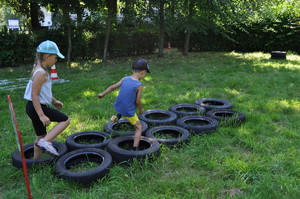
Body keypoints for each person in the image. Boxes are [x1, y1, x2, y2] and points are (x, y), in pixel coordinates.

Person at [24, 40, 70, 158]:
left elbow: (41, 91)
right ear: (46, 56)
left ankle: (36, 163)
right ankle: (45, 142)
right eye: (55, 57)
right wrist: (41, 115)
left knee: (40, 136)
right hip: (38, 107)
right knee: (65, 120)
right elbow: (34, 95)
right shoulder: (41, 73)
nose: (56, 60)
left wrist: (54, 101)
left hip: (32, 107)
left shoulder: (38, 69)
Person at [98, 59, 150, 150]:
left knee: (124, 105)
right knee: (138, 128)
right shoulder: (139, 85)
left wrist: (102, 94)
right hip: (128, 111)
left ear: (133, 70)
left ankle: (117, 117)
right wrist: (141, 110)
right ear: (143, 72)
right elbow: (138, 101)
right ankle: (135, 148)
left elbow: (112, 87)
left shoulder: (125, 78)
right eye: (145, 73)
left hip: (119, 105)